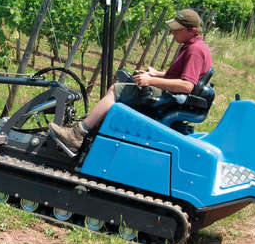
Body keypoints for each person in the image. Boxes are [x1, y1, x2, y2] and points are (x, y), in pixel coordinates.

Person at [49, 8, 213, 152]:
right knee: (124, 84)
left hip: (172, 96)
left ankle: (77, 134)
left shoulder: (194, 50)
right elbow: (182, 76)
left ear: (192, 30)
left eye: (178, 29)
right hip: (172, 93)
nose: (173, 32)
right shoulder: (195, 46)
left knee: (115, 89)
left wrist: (150, 81)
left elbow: (186, 85)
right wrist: (156, 74)